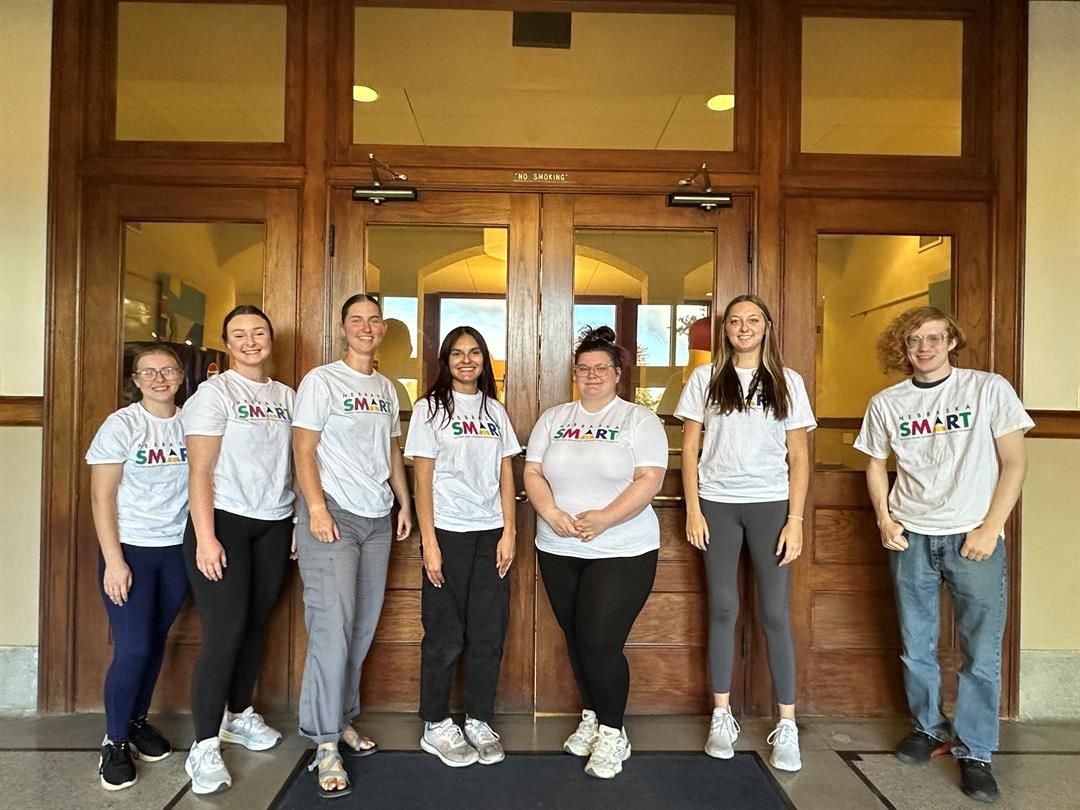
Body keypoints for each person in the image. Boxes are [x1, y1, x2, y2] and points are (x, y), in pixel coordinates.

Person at [854, 306, 1032, 804]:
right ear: (903, 348)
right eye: (914, 340)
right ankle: (929, 727)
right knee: (917, 644)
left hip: (974, 537)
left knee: (980, 650)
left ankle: (975, 750)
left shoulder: (987, 388)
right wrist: (885, 520)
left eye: (934, 338)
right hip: (911, 535)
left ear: (952, 340)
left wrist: (990, 527)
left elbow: (1014, 462)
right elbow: (874, 465)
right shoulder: (887, 402)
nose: (924, 348)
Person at [675, 294, 815, 772]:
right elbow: (689, 449)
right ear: (725, 331)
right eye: (734, 321)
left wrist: (795, 520)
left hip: (771, 505)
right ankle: (721, 715)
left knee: (774, 613)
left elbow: (799, 457)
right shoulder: (705, 379)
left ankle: (788, 724)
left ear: (767, 327)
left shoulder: (787, 381)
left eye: (752, 319)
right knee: (723, 607)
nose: (743, 327)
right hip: (717, 503)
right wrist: (693, 510)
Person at [524, 326, 667, 780]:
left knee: (599, 642)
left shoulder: (639, 420)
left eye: (601, 368)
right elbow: (531, 471)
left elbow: (650, 479)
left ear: (618, 374)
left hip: (623, 549)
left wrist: (605, 518)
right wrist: (548, 511)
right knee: (575, 636)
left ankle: (612, 731)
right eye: (583, 368)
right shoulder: (554, 417)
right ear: (575, 375)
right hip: (558, 546)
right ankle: (591, 713)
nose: (591, 375)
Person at [292, 294, 413, 798]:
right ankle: (323, 743)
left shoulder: (387, 388)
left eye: (373, 320)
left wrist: (403, 503)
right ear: (343, 328)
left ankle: (342, 719)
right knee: (331, 629)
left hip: (377, 516)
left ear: (382, 329)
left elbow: (391, 448)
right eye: (356, 320)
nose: (366, 327)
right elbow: (303, 447)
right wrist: (316, 509)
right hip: (333, 515)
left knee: (361, 627)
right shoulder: (321, 381)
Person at [181, 305, 295, 795]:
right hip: (224, 522)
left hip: (273, 524)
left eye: (259, 333)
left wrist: (293, 521)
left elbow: (294, 461)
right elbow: (200, 472)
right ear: (227, 343)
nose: (251, 341)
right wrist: (206, 537)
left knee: (254, 624)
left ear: (271, 338)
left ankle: (238, 713)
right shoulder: (214, 394)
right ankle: (204, 746)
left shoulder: (287, 396)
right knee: (224, 632)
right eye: (240, 335)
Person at [404, 326, 520, 768]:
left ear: (484, 360)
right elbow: (423, 480)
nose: (466, 360)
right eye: (457, 353)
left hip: (490, 534)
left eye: (474, 353)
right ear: (445, 361)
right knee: (445, 634)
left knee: (489, 634)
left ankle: (478, 719)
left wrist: (508, 531)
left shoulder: (495, 411)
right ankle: (435, 723)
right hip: (448, 534)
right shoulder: (429, 409)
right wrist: (428, 543)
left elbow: (507, 474)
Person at [86, 345, 191, 791]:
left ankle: (136, 722)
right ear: (135, 378)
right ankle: (113, 741)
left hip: (176, 552)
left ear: (182, 375)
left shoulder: (192, 422)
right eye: (148, 372)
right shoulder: (122, 425)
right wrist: (114, 561)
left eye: (167, 369)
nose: (159, 378)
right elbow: (101, 497)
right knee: (132, 648)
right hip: (130, 551)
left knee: (154, 642)